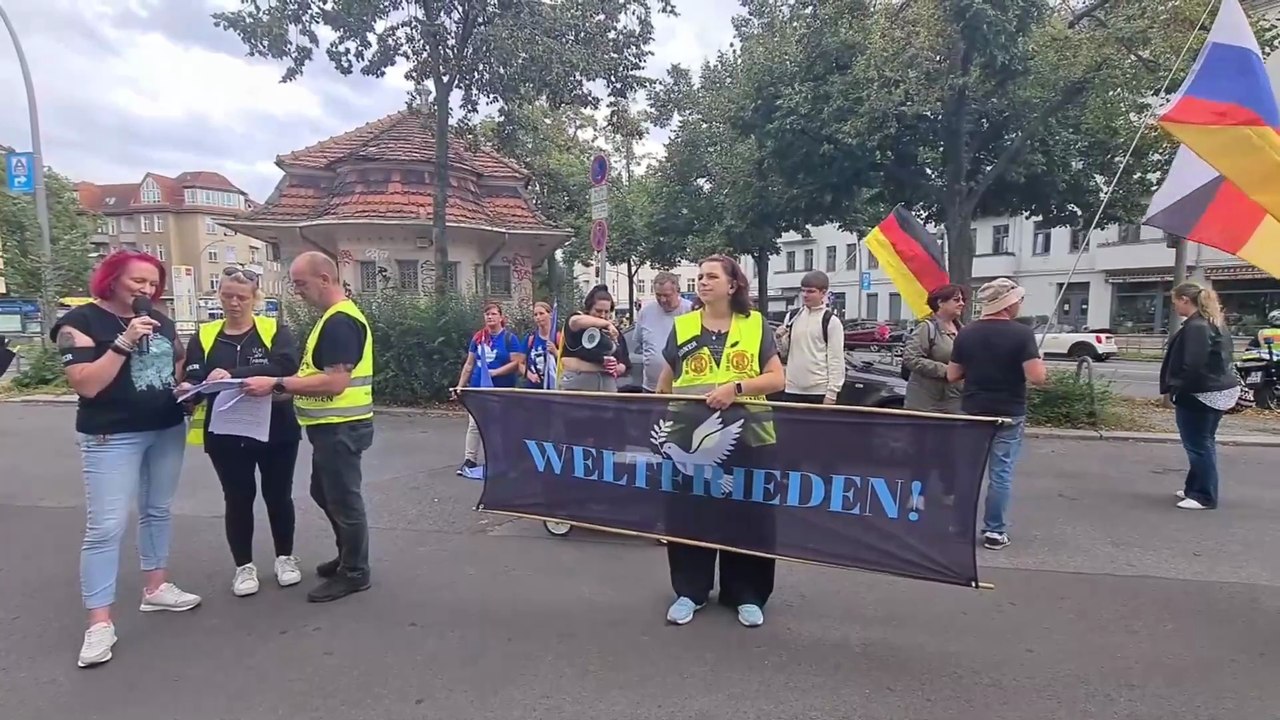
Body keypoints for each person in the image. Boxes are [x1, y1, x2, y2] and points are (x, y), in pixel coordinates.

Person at [52, 250, 201, 668]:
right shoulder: (79, 323)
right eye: (138, 281)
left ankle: (156, 588)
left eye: (153, 284)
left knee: (158, 509)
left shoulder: (162, 321)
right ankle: (99, 622)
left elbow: (176, 365)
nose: (146, 290)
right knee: (106, 526)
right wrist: (124, 341)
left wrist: (188, 387)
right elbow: (86, 385)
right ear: (113, 278)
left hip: (167, 428)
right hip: (110, 435)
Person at [656, 254, 786, 628]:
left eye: (712, 276)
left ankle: (746, 592)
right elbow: (665, 383)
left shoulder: (756, 324)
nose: (703, 282)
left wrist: (737, 388)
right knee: (689, 512)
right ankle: (690, 591)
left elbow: (777, 379)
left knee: (749, 514)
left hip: (751, 436)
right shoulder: (682, 327)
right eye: (699, 276)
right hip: (689, 436)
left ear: (733, 285)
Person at [241, 252, 375, 603]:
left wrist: (277, 384)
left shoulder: (340, 322)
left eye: (301, 283)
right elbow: (315, 377)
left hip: (341, 427)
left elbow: (334, 383)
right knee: (324, 492)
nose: (296, 290)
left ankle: (355, 571)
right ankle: (349, 556)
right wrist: (282, 390)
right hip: (333, 427)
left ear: (325, 279)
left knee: (344, 500)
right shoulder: (332, 318)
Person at [180, 266, 303, 597]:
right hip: (226, 432)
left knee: (278, 495)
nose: (234, 303)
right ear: (218, 295)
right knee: (237, 498)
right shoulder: (204, 335)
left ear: (255, 299)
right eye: (227, 296)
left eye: (242, 297)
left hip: (276, 429)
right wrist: (189, 387)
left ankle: (285, 557)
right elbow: (195, 375)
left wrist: (234, 373)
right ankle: (244, 566)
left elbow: (287, 367)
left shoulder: (274, 329)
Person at [947, 278, 1047, 551]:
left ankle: (958, 527)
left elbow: (952, 374)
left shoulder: (966, 333)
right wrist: (1040, 361)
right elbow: (1036, 378)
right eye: (1019, 299)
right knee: (1000, 474)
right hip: (1008, 412)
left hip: (973, 411)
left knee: (968, 472)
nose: (1020, 304)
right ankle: (994, 531)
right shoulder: (1022, 334)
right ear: (1009, 303)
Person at [1160, 281, 1239, 511]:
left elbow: (1193, 364)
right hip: (1215, 390)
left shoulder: (1196, 327)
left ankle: (1204, 496)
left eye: (1175, 301)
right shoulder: (1213, 322)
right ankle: (1193, 488)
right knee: (1204, 441)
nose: (1174, 306)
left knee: (1198, 444)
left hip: (1198, 392)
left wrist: (1176, 387)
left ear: (1185, 299)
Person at [451, 302, 525, 475]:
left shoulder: (509, 338)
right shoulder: (478, 338)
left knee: (500, 426)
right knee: (474, 425)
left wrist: (494, 373)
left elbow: (516, 363)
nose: (490, 317)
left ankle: (500, 460)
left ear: (501, 317)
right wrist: (460, 386)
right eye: (487, 314)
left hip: (501, 391)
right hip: (478, 389)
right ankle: (470, 460)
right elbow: (469, 364)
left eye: (493, 314)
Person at [775, 270, 845, 405]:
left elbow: (836, 360)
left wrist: (832, 393)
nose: (805, 295)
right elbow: (784, 353)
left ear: (823, 293)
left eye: (811, 291)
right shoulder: (792, 317)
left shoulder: (830, 321)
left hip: (818, 392)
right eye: (803, 291)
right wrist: (779, 339)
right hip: (792, 389)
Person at [903, 283, 967, 414]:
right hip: (926, 402)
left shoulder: (963, 330)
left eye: (962, 300)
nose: (961, 304)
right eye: (956, 300)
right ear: (940, 303)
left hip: (956, 400)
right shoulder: (926, 328)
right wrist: (947, 371)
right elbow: (911, 359)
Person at [560, 285, 629, 392]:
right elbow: (575, 321)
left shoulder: (614, 333)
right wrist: (607, 324)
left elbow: (625, 363)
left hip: (606, 388)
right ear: (588, 309)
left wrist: (619, 368)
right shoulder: (578, 326)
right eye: (598, 311)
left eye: (606, 312)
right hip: (578, 387)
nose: (602, 315)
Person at [635, 272, 691, 393]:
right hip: (650, 388)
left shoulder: (691, 311)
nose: (662, 300)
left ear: (677, 291)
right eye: (658, 295)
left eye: (667, 295)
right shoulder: (646, 312)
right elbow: (640, 342)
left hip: (680, 389)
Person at [523, 301, 561, 389]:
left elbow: (567, 362)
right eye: (535, 315)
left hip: (553, 387)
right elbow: (520, 363)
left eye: (541, 313)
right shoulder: (530, 338)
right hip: (533, 388)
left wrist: (555, 351)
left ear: (550, 315)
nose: (538, 317)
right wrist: (530, 376)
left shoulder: (558, 337)